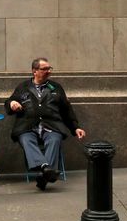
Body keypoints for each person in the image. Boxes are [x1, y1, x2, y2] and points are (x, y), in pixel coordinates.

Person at [5, 58, 86, 190]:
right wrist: (12, 104)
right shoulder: (23, 87)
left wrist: (75, 127)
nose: (48, 71)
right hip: (27, 126)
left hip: (52, 126)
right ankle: (47, 170)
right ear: (34, 71)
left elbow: (66, 110)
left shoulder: (56, 87)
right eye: (44, 69)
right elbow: (9, 102)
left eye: (49, 68)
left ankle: (44, 175)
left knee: (55, 139)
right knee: (25, 139)